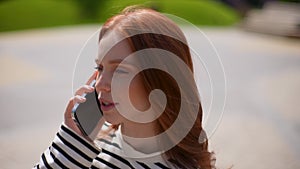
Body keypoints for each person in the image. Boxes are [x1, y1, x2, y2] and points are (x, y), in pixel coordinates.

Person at [34, 5, 215, 169]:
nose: (100, 84)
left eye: (120, 70)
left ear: (161, 77)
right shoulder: (85, 147)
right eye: (100, 68)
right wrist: (71, 145)